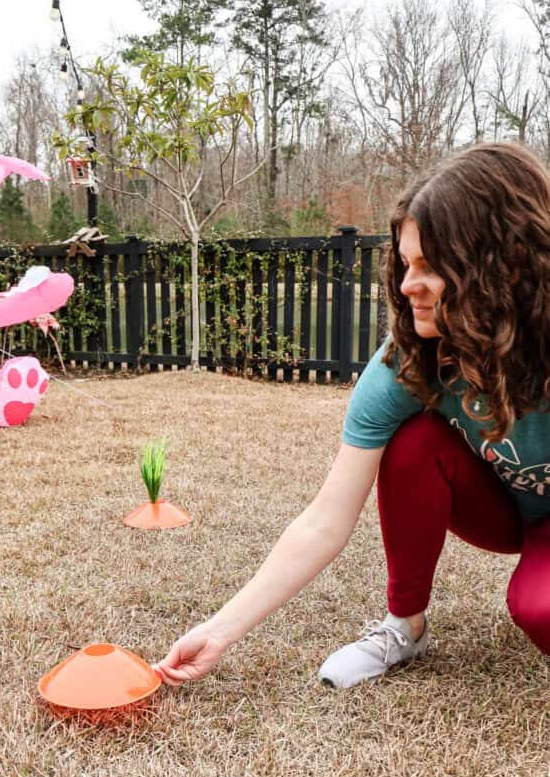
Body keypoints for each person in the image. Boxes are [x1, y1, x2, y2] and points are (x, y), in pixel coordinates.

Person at [154, 142, 550, 689]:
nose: (408, 284)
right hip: (503, 508)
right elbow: (325, 519)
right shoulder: (407, 363)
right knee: (412, 442)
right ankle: (404, 628)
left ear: (502, 263)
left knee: (541, 609)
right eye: (407, 263)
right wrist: (219, 632)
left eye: (430, 267)